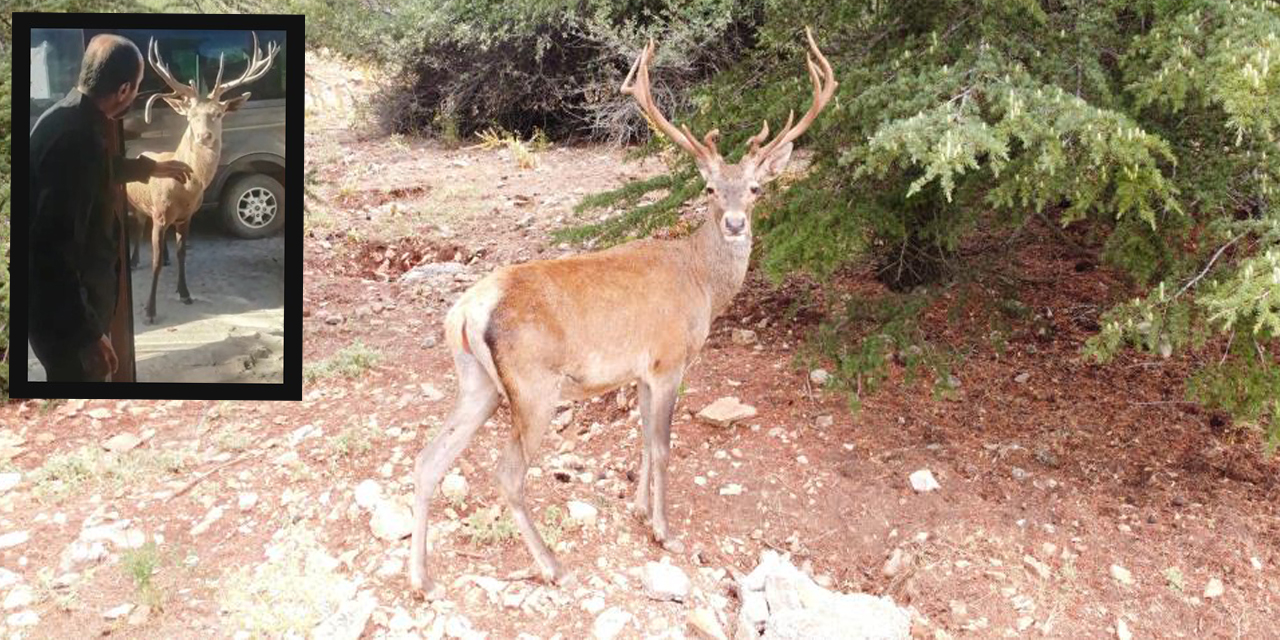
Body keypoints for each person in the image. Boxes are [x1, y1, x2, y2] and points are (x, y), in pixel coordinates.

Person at [29, 34, 194, 382]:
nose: (134, 95)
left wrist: (150, 168)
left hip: (59, 318)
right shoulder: (78, 140)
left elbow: (91, 173)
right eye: (135, 88)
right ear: (123, 91)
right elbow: (53, 251)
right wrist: (88, 334)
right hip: (69, 330)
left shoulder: (65, 117)